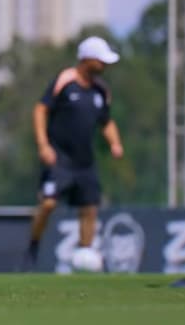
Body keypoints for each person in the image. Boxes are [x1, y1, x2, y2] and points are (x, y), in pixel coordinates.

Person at [22, 36, 125, 270]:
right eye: (101, 61)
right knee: (48, 204)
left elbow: (106, 121)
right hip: (59, 158)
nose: (105, 66)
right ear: (88, 59)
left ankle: (85, 255)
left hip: (85, 162)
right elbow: (40, 109)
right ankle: (33, 245)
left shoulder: (101, 91)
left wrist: (115, 143)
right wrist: (43, 144)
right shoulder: (64, 81)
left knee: (89, 209)